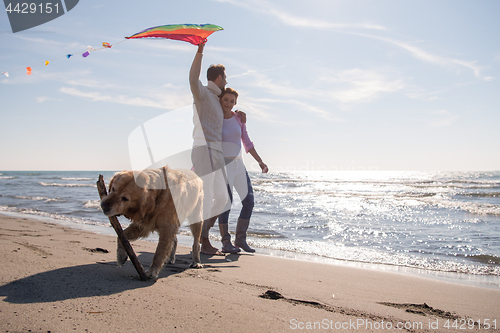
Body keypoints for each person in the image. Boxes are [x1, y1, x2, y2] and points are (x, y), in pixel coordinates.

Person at [189, 42, 229, 255]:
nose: (226, 82)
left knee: (223, 198)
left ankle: (202, 234)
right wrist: (200, 51)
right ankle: (202, 241)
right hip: (203, 150)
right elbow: (192, 78)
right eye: (225, 78)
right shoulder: (202, 93)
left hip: (217, 154)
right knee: (204, 198)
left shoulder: (218, 101)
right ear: (219, 78)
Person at [217, 87, 268, 253]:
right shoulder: (215, 118)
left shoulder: (239, 119)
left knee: (249, 201)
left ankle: (240, 239)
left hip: (239, 165)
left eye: (232, 101)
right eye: (226, 100)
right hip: (223, 166)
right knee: (226, 204)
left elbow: (247, 142)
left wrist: (260, 161)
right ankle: (226, 243)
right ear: (220, 99)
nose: (229, 104)